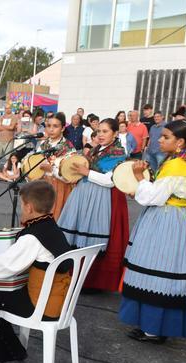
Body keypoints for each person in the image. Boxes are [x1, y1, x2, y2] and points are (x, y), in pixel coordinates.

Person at [120, 119, 186, 343]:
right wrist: (142, 187)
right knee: (156, 271)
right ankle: (152, 325)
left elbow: (153, 196)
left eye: (165, 137)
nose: (159, 139)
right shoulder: (177, 159)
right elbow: (158, 192)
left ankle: (155, 328)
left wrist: (139, 179)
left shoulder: (177, 164)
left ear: (180, 142)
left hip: (167, 221)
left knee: (159, 272)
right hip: (167, 218)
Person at [0, 180, 73, 361]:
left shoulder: (32, 237)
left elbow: (1, 268)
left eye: (21, 205)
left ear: (28, 207)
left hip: (41, 306)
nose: (21, 209)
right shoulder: (52, 227)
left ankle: (6, 351)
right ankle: (12, 348)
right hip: (60, 301)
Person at [57, 118, 129, 292]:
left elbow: (110, 180)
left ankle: (91, 281)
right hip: (84, 193)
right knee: (76, 234)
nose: (101, 135)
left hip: (99, 197)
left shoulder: (118, 153)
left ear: (115, 133)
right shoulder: (97, 149)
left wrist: (86, 172)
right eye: (99, 131)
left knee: (91, 237)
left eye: (105, 131)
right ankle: (74, 276)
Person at [34, 112, 77, 220]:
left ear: (62, 128)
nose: (51, 129)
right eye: (48, 126)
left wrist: (52, 169)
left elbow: (70, 176)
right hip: (42, 185)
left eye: (55, 126)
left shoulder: (68, 148)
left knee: (55, 220)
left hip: (60, 187)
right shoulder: (43, 145)